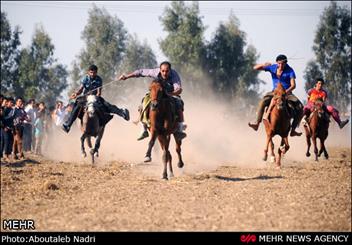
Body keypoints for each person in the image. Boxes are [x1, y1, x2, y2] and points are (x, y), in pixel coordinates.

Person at [118, 61, 186, 141]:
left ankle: (180, 128)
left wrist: (171, 93)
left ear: (170, 70)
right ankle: (144, 129)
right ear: (160, 70)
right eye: (163, 71)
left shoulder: (174, 75)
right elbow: (141, 72)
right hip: (158, 93)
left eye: (167, 71)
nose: (164, 73)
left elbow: (179, 89)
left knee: (179, 102)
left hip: (170, 92)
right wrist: (126, 76)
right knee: (144, 101)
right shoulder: (155, 72)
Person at [62, 64, 130, 133]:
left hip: (95, 97)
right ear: (88, 72)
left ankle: (122, 113)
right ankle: (68, 125)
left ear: (96, 72)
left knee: (107, 105)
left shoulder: (99, 79)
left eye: (94, 72)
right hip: (85, 98)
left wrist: (95, 98)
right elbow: (80, 89)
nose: (92, 74)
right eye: (91, 72)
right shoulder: (85, 79)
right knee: (76, 106)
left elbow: (99, 92)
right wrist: (76, 94)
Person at [248, 54, 303, 137]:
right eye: (279, 63)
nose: (281, 65)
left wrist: (285, 92)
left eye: (283, 63)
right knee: (263, 101)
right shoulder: (272, 67)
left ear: (285, 63)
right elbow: (255, 68)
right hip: (275, 92)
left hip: (287, 93)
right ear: (277, 63)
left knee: (300, 107)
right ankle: (257, 123)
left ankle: (293, 129)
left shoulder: (290, 70)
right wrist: (264, 64)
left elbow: (293, 85)